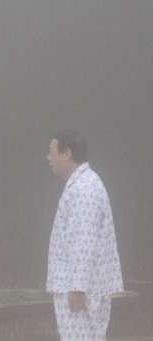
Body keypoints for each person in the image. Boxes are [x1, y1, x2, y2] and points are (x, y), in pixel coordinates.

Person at [46, 130, 123, 340]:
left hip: (79, 292)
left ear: (67, 153)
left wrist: (78, 288)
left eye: (52, 151)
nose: (48, 157)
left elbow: (84, 240)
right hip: (76, 287)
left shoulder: (84, 188)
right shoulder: (81, 185)